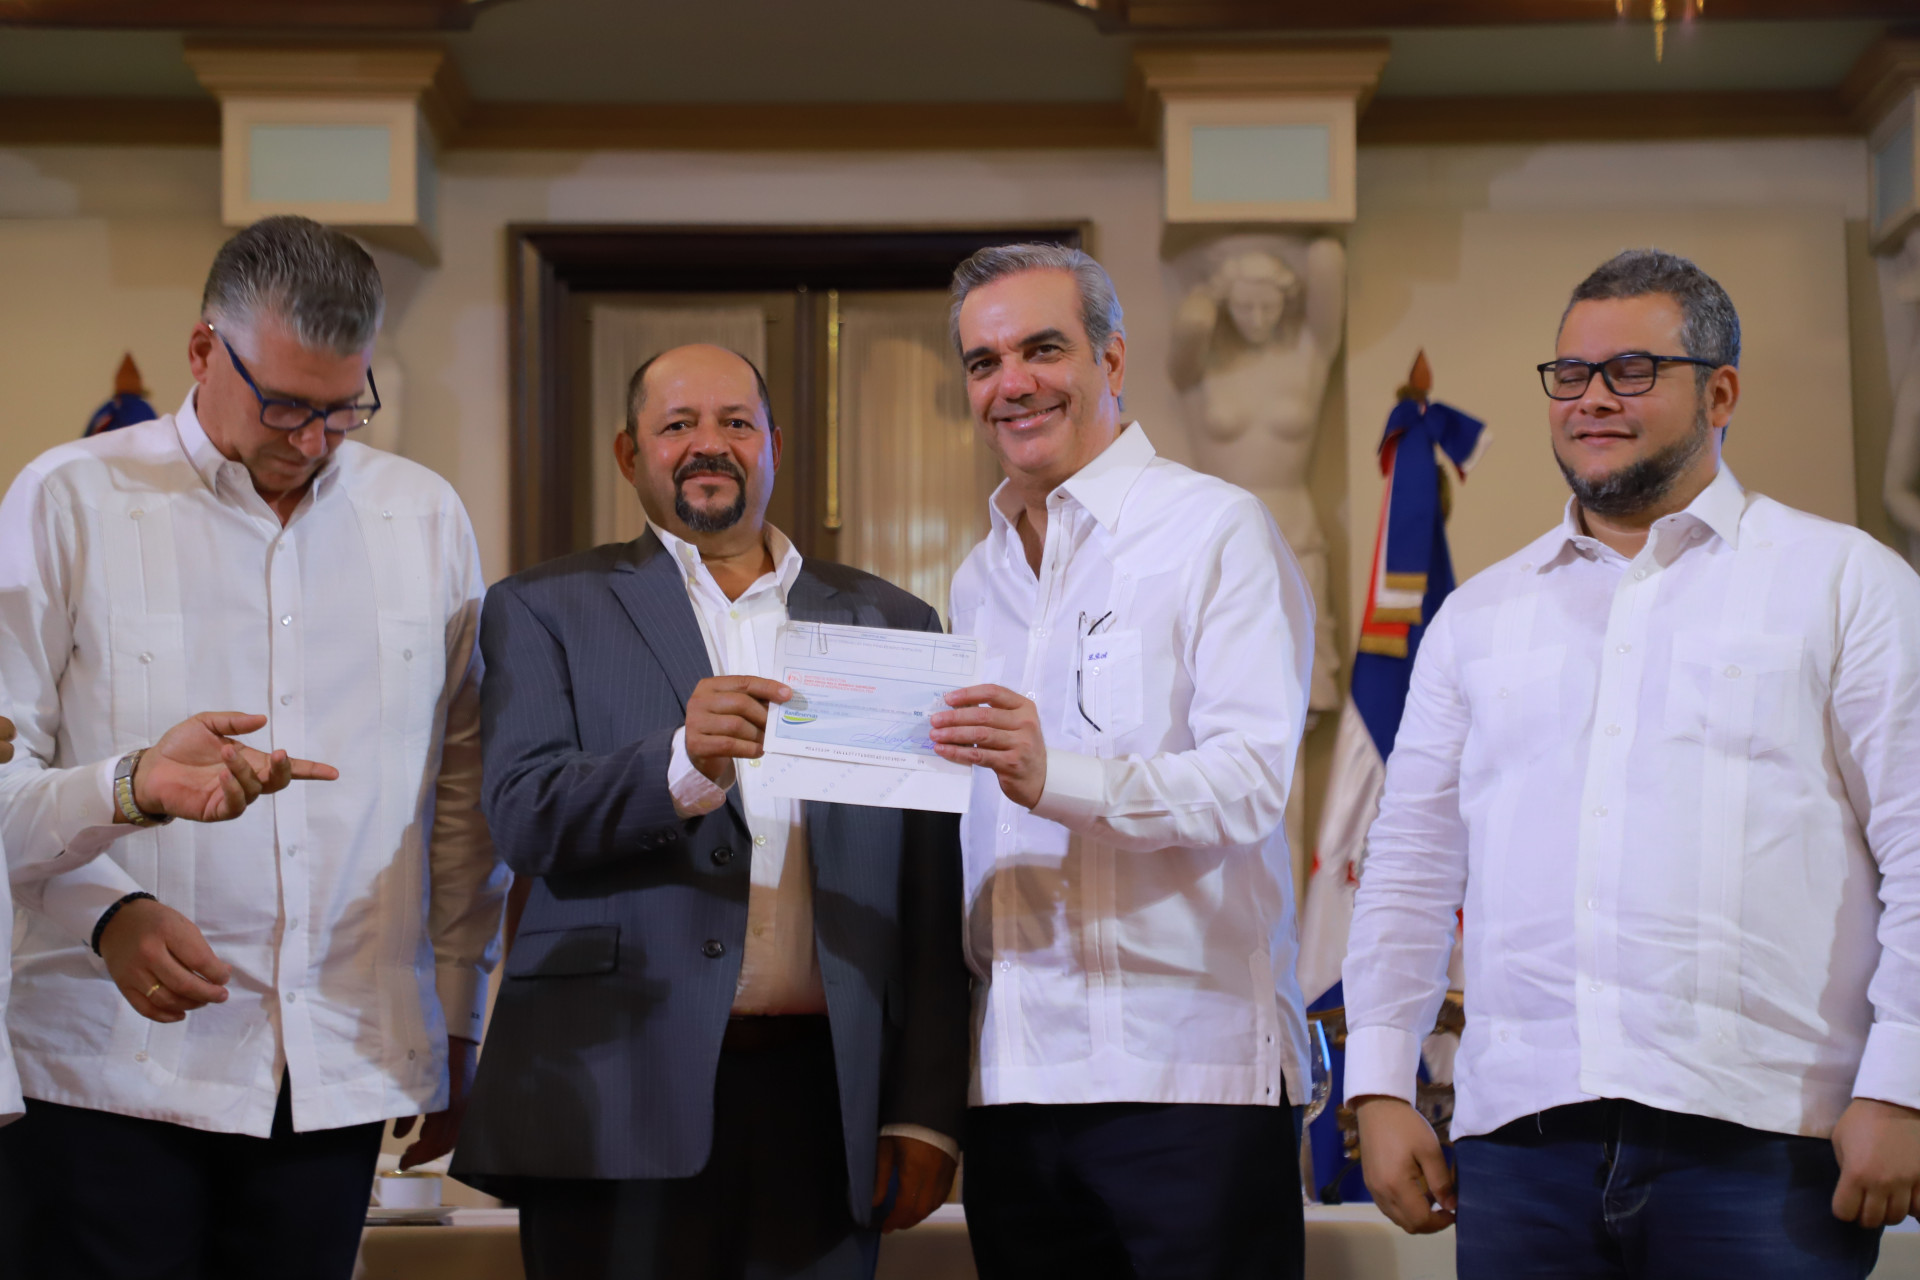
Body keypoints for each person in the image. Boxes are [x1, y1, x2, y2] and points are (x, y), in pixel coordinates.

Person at [1344, 248, 1920, 1278]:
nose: (1593, 398)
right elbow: (1411, 867)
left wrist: (1902, 1084)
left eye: (1632, 371)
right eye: (1571, 373)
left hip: (1765, 1141)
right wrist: (1382, 1082)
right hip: (1521, 1144)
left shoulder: (1844, 583)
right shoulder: (1478, 618)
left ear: (1721, 393)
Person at [0, 214, 507, 1280]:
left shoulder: (423, 516)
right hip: (104, 1061)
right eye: (284, 405)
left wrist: (457, 1019)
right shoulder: (69, 497)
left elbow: (460, 792)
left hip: (332, 1065)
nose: (314, 440)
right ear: (202, 351)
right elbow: (4, 776)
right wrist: (106, 912)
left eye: (344, 407)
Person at [451, 343, 971, 1280]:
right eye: (678, 425)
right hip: (610, 1090)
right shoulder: (540, 607)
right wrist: (681, 766)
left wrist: (925, 1110)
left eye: (736, 423)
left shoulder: (894, 624)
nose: (710, 444)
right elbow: (523, 816)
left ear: (774, 446)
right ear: (629, 453)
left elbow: (931, 896)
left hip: (827, 1102)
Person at [933, 243, 1316, 1280]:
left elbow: (1248, 783)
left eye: (1041, 349)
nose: (1012, 382)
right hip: (1014, 1080)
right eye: (983, 362)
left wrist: (1053, 774)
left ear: (1111, 359)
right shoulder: (974, 581)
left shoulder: (1215, 530)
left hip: (1187, 1077)